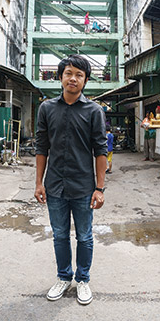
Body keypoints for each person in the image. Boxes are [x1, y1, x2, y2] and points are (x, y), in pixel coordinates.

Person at [34, 55, 107, 305]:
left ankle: (83, 280)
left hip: (84, 187)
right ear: (60, 77)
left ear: (85, 80)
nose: (73, 78)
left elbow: (101, 151)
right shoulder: (46, 109)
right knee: (60, 235)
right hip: (55, 186)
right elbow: (41, 147)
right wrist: (38, 183)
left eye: (79, 74)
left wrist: (99, 188)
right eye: (68, 73)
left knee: (85, 236)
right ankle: (64, 277)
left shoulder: (94, 111)